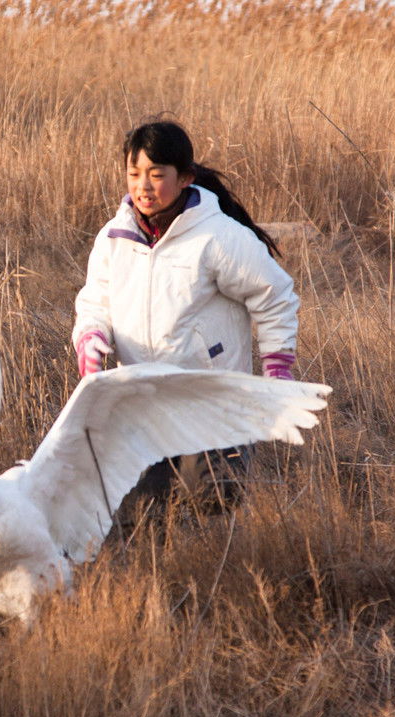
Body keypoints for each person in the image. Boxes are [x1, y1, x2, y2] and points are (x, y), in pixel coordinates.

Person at [71, 120, 300, 507]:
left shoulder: (217, 237)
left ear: (185, 178)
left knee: (208, 505)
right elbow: (95, 301)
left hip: (212, 405)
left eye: (157, 175)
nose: (143, 186)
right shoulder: (114, 238)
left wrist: (276, 365)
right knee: (135, 516)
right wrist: (91, 340)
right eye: (134, 173)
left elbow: (274, 294)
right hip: (143, 405)